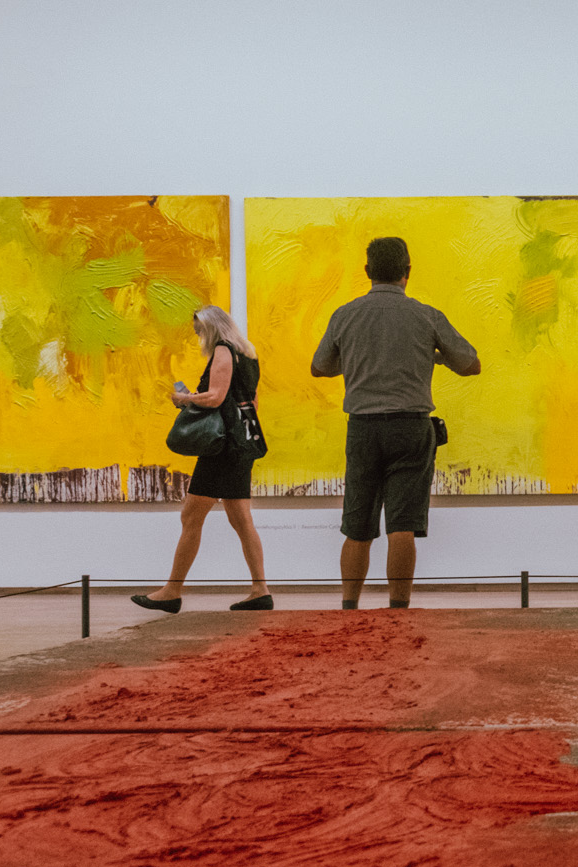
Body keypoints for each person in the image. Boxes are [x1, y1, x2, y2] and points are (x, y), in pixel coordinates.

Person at [311, 236, 481, 609]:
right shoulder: (426, 315)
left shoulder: (345, 314)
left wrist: (354, 359)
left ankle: (349, 607)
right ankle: (398, 610)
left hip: (363, 428)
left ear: (368, 271)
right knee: (402, 525)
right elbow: (471, 364)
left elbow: (319, 367)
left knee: (357, 526)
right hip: (411, 428)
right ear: (407, 272)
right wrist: (436, 356)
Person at [132, 306, 272, 613]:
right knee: (241, 519)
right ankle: (260, 590)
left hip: (221, 448)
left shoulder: (223, 349)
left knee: (191, 516)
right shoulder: (248, 354)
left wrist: (185, 399)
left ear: (213, 327)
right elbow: (252, 401)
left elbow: (215, 397)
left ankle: (172, 591)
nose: (199, 337)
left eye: (200, 331)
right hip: (242, 444)